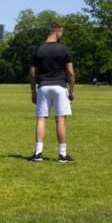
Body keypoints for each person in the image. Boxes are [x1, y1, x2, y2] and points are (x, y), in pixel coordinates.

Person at [29, 21, 76, 163]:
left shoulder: (38, 49)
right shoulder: (63, 49)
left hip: (43, 86)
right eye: (61, 32)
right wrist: (72, 91)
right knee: (60, 119)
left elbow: (32, 74)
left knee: (41, 119)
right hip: (60, 87)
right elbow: (71, 73)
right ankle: (62, 154)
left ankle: (38, 153)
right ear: (58, 31)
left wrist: (33, 92)